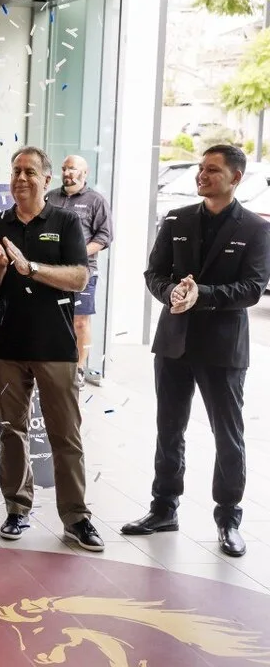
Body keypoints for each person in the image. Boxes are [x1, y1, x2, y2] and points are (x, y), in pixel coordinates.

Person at [122, 144, 270, 558]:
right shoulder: (177, 219)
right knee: (169, 429)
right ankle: (163, 508)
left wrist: (200, 295)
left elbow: (252, 289)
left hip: (222, 349)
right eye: (201, 169)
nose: (201, 175)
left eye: (212, 170)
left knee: (228, 435)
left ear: (235, 178)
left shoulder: (256, 230)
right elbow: (154, 273)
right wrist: (173, 293)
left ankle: (228, 518)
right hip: (174, 342)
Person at [0, 146, 104, 552]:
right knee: (11, 430)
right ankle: (17, 508)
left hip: (55, 346)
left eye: (30, 172)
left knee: (65, 434)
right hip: (8, 344)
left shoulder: (65, 222)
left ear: (46, 179)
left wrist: (31, 268)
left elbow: (80, 278)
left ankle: (76, 519)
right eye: (16, 171)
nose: (21, 178)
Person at [44, 155, 113, 388]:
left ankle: (80, 369)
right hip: (51, 271)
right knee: (51, 319)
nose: (67, 173)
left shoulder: (96, 200)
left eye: (72, 169)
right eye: (64, 169)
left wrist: (78, 252)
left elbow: (105, 236)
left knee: (80, 322)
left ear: (84, 173)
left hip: (83, 272)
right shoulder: (50, 198)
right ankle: (53, 364)